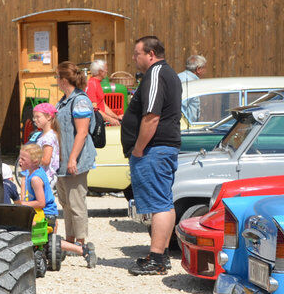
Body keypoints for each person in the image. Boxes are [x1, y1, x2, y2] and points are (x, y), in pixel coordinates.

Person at [123, 36, 182, 275]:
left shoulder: (156, 73)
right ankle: (161, 255)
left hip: (153, 149)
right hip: (161, 148)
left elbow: (152, 116)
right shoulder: (167, 73)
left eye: (137, 54)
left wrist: (139, 148)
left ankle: (156, 259)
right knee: (165, 203)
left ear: (151, 54)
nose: (134, 58)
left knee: (159, 205)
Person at [17, 143, 96, 267]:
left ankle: (84, 250)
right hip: (45, 212)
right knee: (48, 240)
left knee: (48, 240)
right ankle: (60, 253)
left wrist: (23, 204)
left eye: (23, 159)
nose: (20, 161)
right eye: (20, 158)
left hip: (46, 213)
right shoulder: (34, 172)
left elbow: (41, 202)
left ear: (35, 161)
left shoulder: (35, 179)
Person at [54, 61, 97, 265]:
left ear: (63, 80)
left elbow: (82, 132)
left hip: (75, 160)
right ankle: (70, 240)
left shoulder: (79, 101)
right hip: (63, 161)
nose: (55, 81)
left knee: (76, 201)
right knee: (66, 202)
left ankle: (80, 242)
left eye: (57, 77)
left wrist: (72, 158)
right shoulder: (64, 100)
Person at [29, 102, 60, 186]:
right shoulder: (44, 134)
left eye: (37, 117)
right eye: (34, 117)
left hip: (45, 177)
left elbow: (46, 160)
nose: (34, 119)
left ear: (49, 117)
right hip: (41, 176)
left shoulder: (48, 137)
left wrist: (30, 158)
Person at [86, 59, 123, 126]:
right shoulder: (91, 84)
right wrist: (110, 119)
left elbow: (103, 105)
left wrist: (116, 117)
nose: (107, 71)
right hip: (96, 124)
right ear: (100, 71)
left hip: (100, 121)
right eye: (106, 69)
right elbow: (94, 109)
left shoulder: (97, 83)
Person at [178, 54, 207, 124]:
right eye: (204, 68)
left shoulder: (180, 77)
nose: (205, 71)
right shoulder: (190, 83)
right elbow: (179, 105)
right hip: (185, 127)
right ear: (198, 69)